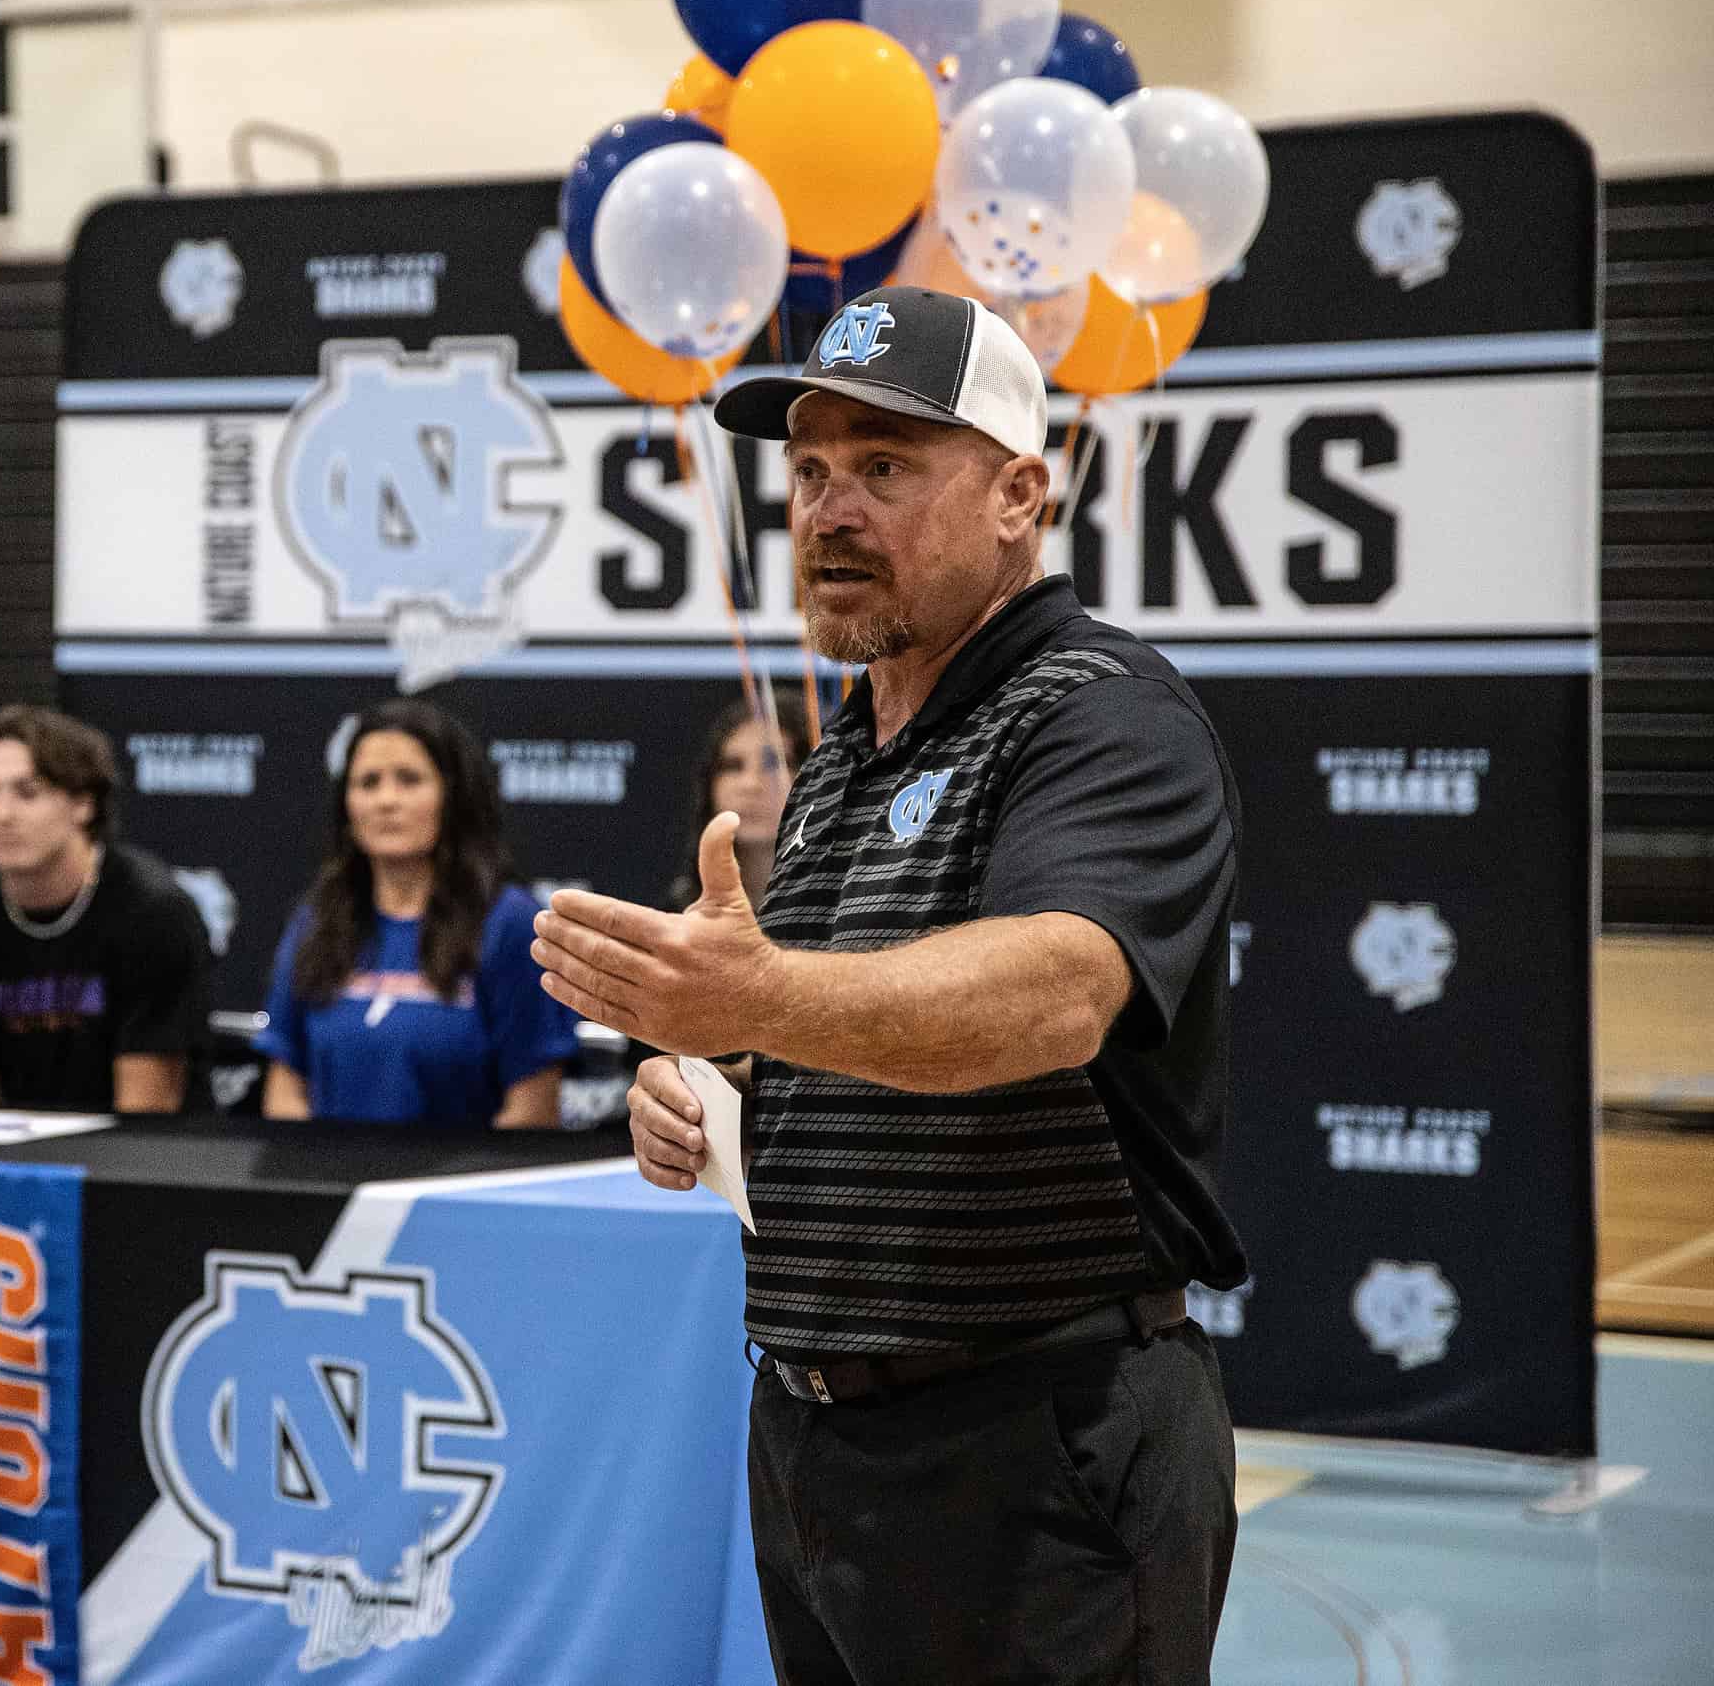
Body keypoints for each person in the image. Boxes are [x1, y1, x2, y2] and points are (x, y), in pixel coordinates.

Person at [530, 286, 1246, 1685]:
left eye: (886, 466)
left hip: (1036, 1439)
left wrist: (751, 1006)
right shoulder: (846, 756)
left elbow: (1048, 994)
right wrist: (693, 1083)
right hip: (818, 1443)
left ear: (1019, 496)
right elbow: (797, 1032)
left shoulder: (1102, 713)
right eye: (807, 471)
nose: (828, 509)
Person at [259, 699, 577, 1128]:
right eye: (368, 783)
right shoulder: (315, 921)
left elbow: (532, 1109)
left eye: (409, 780)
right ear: (346, 806)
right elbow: (285, 1086)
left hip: (455, 1191)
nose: (386, 800)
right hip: (326, 1187)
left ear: (454, 795)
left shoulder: (511, 924)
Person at [0, 704, 210, 1112]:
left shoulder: (153, 912)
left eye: (27, 792)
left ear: (83, 803)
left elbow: (147, 1109)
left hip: (138, 1151)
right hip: (8, 1152)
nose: (2, 814)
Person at [669, 685, 819, 914]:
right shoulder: (680, 912)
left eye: (774, 763)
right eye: (732, 766)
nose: (750, 785)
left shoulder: (852, 906)